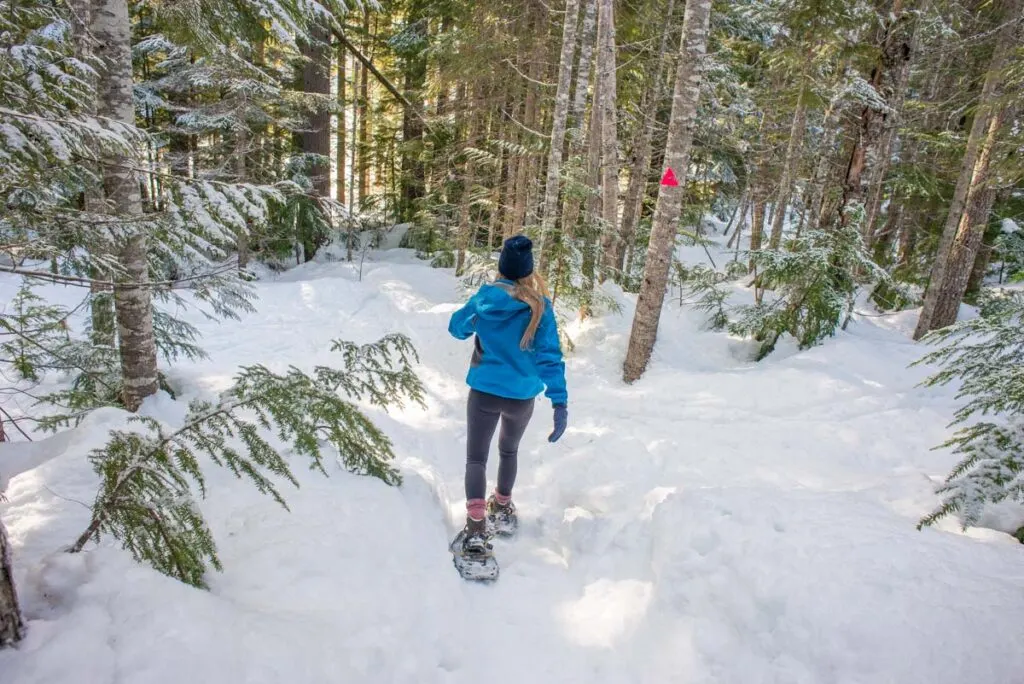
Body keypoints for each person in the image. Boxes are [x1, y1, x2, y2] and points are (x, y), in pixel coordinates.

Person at [447, 234, 568, 556]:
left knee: (476, 458)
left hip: (484, 392)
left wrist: (476, 311)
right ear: (529, 271)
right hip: (521, 397)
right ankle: (501, 505)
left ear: (501, 268)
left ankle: (475, 528)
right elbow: (549, 356)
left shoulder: (485, 299)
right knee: (508, 452)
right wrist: (559, 401)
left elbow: (456, 328)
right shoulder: (540, 306)